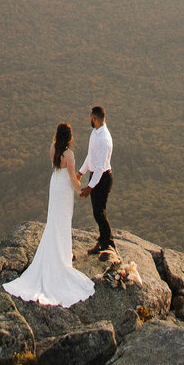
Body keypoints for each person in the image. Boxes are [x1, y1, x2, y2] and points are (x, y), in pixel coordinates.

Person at [3, 122, 97, 307]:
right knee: (62, 222)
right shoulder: (69, 155)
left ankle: (56, 253)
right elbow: (72, 178)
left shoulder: (53, 147)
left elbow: (58, 169)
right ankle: (62, 257)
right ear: (70, 137)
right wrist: (81, 191)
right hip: (64, 188)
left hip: (55, 184)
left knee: (54, 220)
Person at [78, 105, 114, 256]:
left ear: (94, 118)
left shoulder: (103, 139)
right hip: (96, 176)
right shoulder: (95, 133)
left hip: (103, 178)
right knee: (97, 211)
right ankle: (105, 241)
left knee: (99, 212)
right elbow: (90, 155)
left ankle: (107, 243)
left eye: (90, 118)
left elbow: (100, 167)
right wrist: (81, 172)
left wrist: (90, 187)